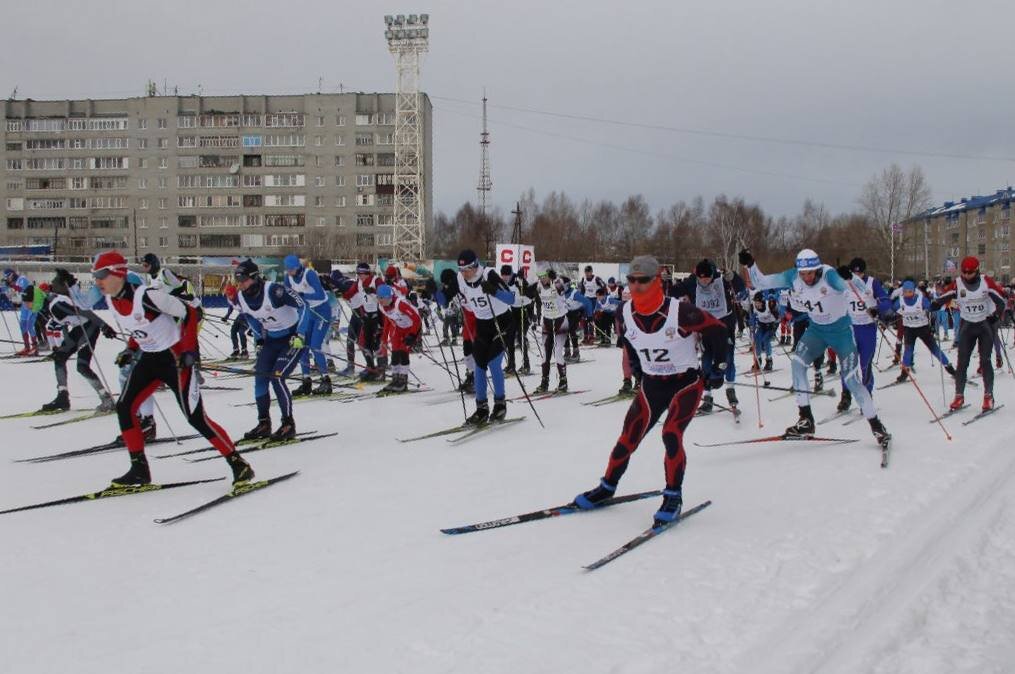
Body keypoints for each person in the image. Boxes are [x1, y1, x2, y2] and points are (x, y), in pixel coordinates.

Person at [572, 255, 728, 526]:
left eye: (643, 280)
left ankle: (673, 496)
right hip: (653, 384)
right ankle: (607, 486)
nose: (636, 286)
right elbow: (629, 343)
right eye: (631, 280)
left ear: (657, 281)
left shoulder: (680, 311)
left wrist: (718, 367)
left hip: (686, 382)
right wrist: (636, 367)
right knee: (628, 436)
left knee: (671, 433)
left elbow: (718, 330)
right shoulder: (623, 312)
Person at [91, 251, 253, 486]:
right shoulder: (110, 300)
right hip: (149, 359)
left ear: (118, 272)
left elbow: (190, 312)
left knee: (195, 418)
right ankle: (139, 470)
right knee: (125, 407)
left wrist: (188, 352)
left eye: (101, 275)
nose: (97, 281)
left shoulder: (147, 296)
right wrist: (130, 348)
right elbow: (141, 326)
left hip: (174, 360)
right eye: (95, 276)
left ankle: (239, 464)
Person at [741, 248, 891, 448]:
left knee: (851, 381)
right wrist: (750, 264)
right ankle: (806, 419)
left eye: (810, 273)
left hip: (841, 333)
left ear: (818, 269)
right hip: (816, 331)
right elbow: (762, 282)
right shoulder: (793, 277)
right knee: (797, 363)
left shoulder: (829, 276)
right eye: (803, 273)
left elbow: (861, 288)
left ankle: (877, 426)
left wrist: (850, 279)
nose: (806, 278)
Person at [436, 249, 516, 424]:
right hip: (483, 325)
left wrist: (494, 291)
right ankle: (481, 408)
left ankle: (500, 405)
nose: (464, 274)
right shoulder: (459, 279)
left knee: (494, 363)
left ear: (476, 265)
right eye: (461, 270)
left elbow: (511, 299)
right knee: (479, 365)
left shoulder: (489, 274)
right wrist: (434, 292)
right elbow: (444, 300)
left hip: (502, 322)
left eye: (467, 270)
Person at [234, 259, 305, 440]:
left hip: (291, 339)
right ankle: (264, 423)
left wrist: (300, 334)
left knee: (277, 377)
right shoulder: (241, 296)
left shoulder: (274, 290)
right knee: (260, 377)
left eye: (243, 279)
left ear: (254, 277)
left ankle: (288, 424)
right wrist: (259, 338)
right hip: (272, 341)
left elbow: (303, 306)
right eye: (238, 280)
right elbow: (249, 317)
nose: (240, 284)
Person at [669, 258, 746, 413]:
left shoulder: (721, 279)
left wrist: (734, 276)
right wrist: (665, 281)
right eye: (701, 278)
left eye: (707, 278)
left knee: (728, 357)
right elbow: (673, 292)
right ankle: (707, 396)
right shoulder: (692, 282)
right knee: (706, 359)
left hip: (725, 326)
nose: (704, 281)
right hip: (706, 327)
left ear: (713, 275)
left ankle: (730, 389)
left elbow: (740, 286)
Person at [930, 256, 1006, 411]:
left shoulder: (986, 282)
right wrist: (935, 304)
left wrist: (996, 316)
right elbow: (944, 295)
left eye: (970, 272)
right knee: (962, 362)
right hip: (967, 326)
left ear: (977, 270)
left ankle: (988, 396)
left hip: (984, 325)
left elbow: (1001, 301)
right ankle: (959, 396)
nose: (967, 275)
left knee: (985, 361)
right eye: (964, 272)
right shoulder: (958, 283)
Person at [39, 269, 116, 413]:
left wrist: (104, 326)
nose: (52, 285)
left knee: (82, 366)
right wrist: (63, 347)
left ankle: (107, 399)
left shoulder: (58, 303)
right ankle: (63, 397)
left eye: (55, 282)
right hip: (79, 328)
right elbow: (65, 326)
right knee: (59, 357)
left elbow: (84, 312)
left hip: (89, 327)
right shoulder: (57, 301)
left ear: (63, 285)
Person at [835, 257, 891, 412]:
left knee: (865, 365)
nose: (857, 276)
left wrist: (877, 309)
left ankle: (866, 395)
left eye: (860, 273)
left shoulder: (872, 283)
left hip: (867, 329)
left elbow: (887, 302)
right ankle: (846, 395)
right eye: (854, 273)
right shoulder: (844, 283)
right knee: (848, 364)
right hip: (850, 329)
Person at [283, 254, 333, 396]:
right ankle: (306, 381)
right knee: (302, 346)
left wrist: (302, 295)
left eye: (292, 269)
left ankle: (325, 380)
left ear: (297, 267)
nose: (290, 272)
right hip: (307, 314)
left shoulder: (309, 274)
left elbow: (321, 295)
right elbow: (287, 297)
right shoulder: (288, 278)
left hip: (321, 312)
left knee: (315, 346)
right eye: (288, 269)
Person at [894, 280, 956, 383]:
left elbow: (930, 307)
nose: (907, 294)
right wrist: (883, 313)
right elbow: (891, 308)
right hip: (909, 329)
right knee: (908, 351)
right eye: (905, 291)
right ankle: (904, 373)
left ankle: (951, 370)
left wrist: (934, 306)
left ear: (914, 291)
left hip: (923, 328)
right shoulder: (900, 301)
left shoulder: (920, 299)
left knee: (935, 349)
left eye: (910, 291)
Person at [523, 268, 570, 393]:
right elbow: (527, 293)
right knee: (546, 353)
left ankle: (563, 381)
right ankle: (544, 382)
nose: (542, 279)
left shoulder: (557, 283)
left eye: (544, 276)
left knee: (558, 352)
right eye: (540, 276)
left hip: (561, 321)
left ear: (549, 276)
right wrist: (521, 280)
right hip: (547, 321)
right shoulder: (538, 286)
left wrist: (554, 278)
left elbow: (562, 287)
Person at [342, 262, 386, 381]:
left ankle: (381, 370)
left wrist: (373, 291)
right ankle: (371, 368)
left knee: (377, 344)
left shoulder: (376, 281)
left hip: (378, 315)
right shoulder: (359, 283)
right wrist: (339, 291)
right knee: (363, 343)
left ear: (367, 273)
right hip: (367, 316)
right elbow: (349, 294)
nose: (360, 276)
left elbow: (387, 293)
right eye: (358, 273)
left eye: (362, 273)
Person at [376, 284, 422, 393]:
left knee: (403, 351)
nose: (380, 301)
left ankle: (403, 380)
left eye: (382, 298)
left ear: (390, 297)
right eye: (378, 298)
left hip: (412, 327)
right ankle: (395, 379)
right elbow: (387, 321)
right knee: (395, 352)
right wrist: (384, 338)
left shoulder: (400, 304)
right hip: (399, 327)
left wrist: (412, 335)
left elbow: (417, 319)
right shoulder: (381, 306)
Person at [749, 291, 779, 372]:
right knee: (757, 339)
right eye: (755, 303)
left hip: (772, 325)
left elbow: (778, 317)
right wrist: (751, 323)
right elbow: (753, 317)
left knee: (766, 340)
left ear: (762, 301)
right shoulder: (754, 307)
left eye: (758, 303)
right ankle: (758, 361)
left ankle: (769, 361)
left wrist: (774, 328)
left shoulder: (769, 304)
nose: (757, 305)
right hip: (762, 325)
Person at [577, 265, 606, 344]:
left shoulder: (596, 279)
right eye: (586, 272)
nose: (587, 274)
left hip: (594, 299)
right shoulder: (584, 279)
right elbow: (582, 290)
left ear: (591, 272)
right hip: (586, 299)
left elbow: (604, 287)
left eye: (588, 272)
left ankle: (591, 336)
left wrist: (601, 296)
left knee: (591, 317)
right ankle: (585, 336)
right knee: (584, 318)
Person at [221, 283, 249, 359]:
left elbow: (248, 310)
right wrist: (226, 317)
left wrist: (244, 320)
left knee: (241, 331)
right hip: (241, 315)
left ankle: (244, 350)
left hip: (249, 316)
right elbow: (231, 308)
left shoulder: (240, 298)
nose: (229, 296)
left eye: (230, 295)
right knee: (233, 331)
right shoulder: (229, 299)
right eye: (227, 295)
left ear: (234, 293)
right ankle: (236, 350)